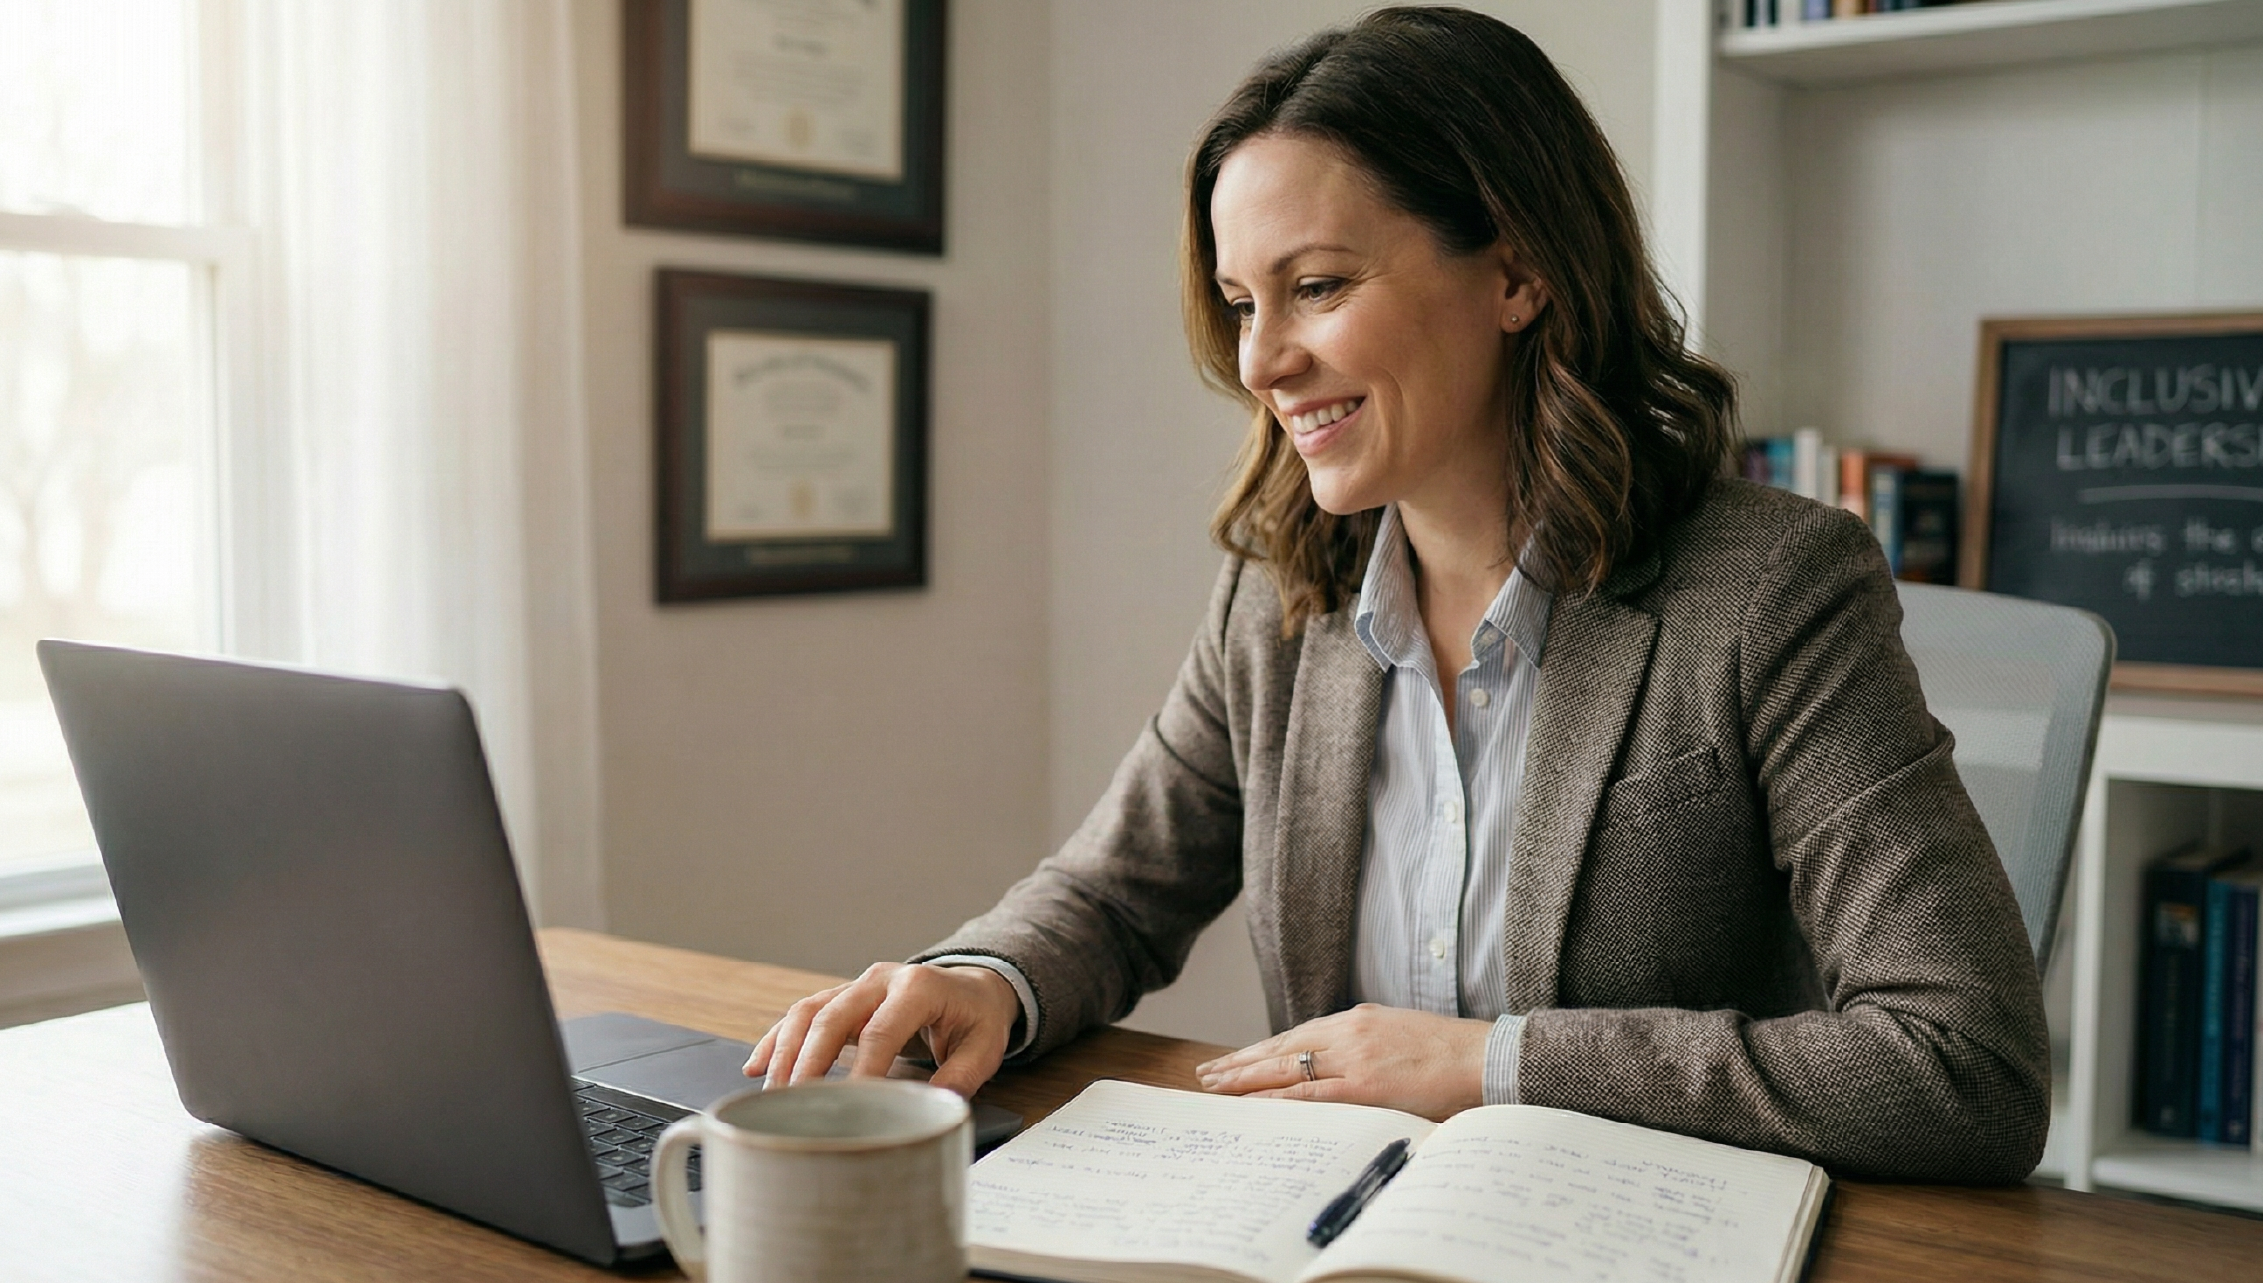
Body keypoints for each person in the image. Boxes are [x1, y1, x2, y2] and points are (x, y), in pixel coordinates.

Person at [746, 6, 2049, 1182]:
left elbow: (1960, 1062)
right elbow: (1114, 889)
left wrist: (1487, 1062)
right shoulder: (1276, 597)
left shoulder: (1773, 589)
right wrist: (986, 976)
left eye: (1316, 286)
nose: (1261, 358)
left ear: (1518, 272)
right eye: (1241, 301)